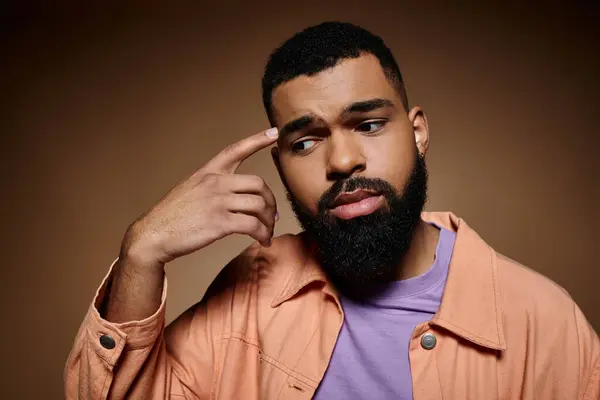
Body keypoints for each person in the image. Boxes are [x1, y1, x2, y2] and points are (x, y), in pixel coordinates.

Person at [64, 21, 599, 399]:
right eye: (305, 142)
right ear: (278, 163)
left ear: (418, 132)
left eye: (368, 125)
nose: (342, 161)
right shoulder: (251, 291)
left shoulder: (546, 323)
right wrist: (141, 252)